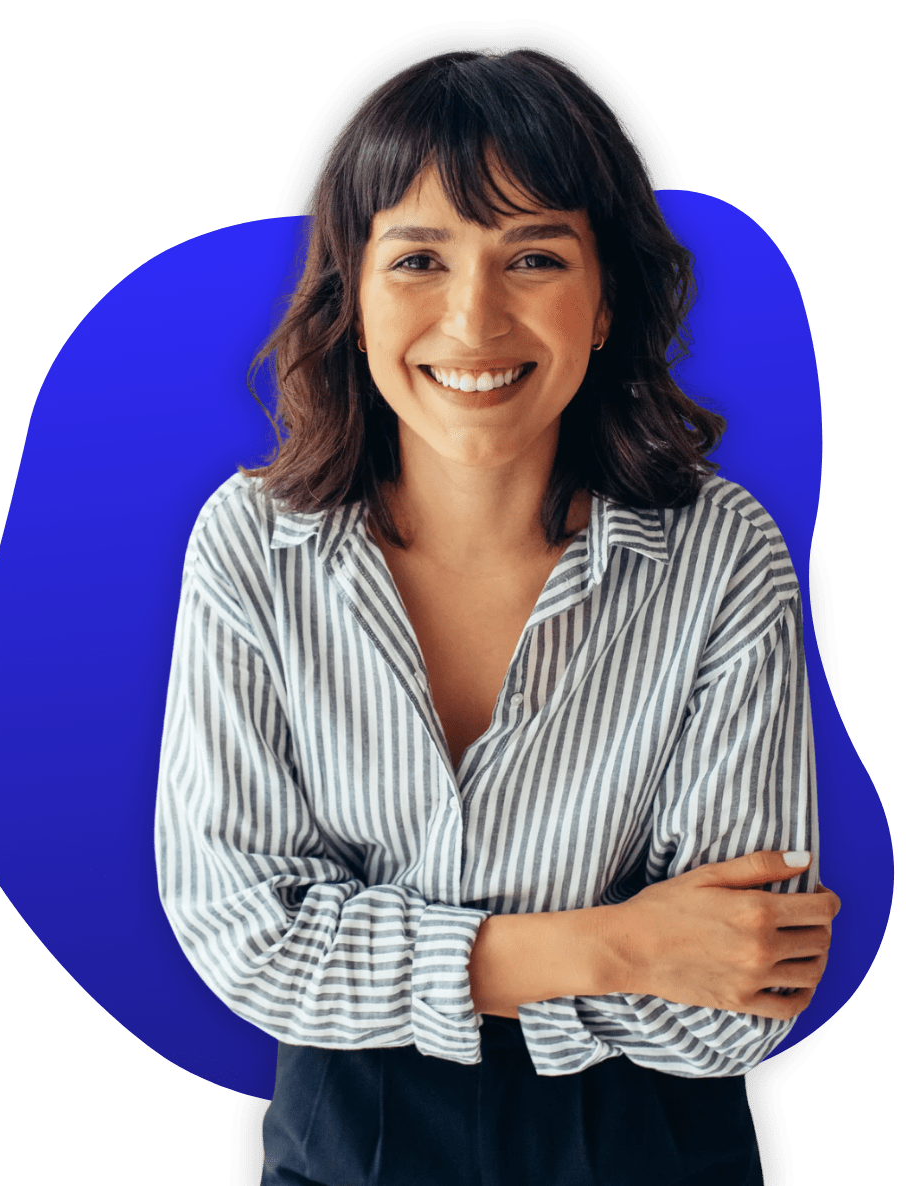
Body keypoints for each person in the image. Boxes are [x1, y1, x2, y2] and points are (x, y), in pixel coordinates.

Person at [154, 47, 839, 1185]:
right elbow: (247, 942)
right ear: (353, 294)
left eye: (533, 256)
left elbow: (734, 1010)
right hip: (347, 1153)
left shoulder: (723, 556)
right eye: (420, 257)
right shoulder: (249, 546)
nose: (474, 319)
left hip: (654, 1153)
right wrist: (616, 942)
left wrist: (386, 963)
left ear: (607, 295)